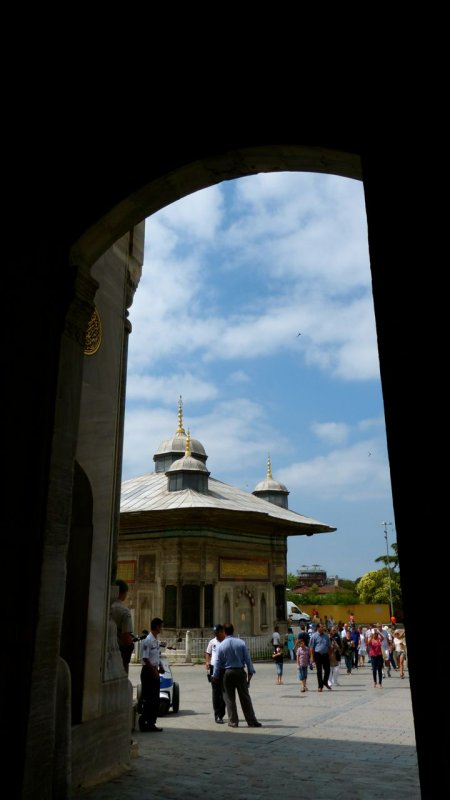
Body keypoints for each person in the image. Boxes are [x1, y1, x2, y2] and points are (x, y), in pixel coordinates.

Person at [212, 623, 262, 728]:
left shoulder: (221, 645)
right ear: (233, 631)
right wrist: (250, 671)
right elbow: (248, 659)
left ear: (224, 632)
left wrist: (215, 676)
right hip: (240, 671)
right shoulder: (241, 643)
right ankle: (252, 721)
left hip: (227, 673)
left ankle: (233, 721)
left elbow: (217, 662)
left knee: (229, 698)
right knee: (245, 697)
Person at [139, 617, 165, 732]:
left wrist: (160, 666)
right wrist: (154, 671)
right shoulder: (148, 640)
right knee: (148, 699)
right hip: (148, 672)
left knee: (155, 699)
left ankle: (151, 723)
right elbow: (145, 657)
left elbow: (156, 656)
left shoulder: (155, 640)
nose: (161, 628)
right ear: (157, 627)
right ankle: (143, 721)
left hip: (154, 670)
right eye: (161, 626)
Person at [110, 579, 135, 674]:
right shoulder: (124, 611)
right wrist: (131, 643)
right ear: (123, 593)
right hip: (119, 653)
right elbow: (126, 637)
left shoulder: (107, 607)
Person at [205, 624, 226, 723]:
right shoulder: (212, 642)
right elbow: (208, 653)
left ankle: (222, 712)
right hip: (214, 668)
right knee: (216, 692)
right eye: (215, 633)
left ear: (222, 632)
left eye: (217, 633)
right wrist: (207, 662)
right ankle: (217, 715)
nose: (216, 635)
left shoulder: (226, 641)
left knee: (224, 693)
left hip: (225, 668)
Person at [309, 622, 332, 692]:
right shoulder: (314, 636)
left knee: (328, 670)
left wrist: (330, 655)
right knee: (319, 671)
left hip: (325, 655)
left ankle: (325, 682)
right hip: (317, 654)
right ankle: (320, 686)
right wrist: (312, 658)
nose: (323, 628)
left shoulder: (326, 636)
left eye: (323, 627)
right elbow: (311, 648)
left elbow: (329, 646)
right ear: (318, 628)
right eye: (321, 627)